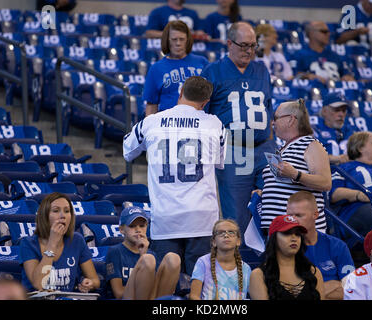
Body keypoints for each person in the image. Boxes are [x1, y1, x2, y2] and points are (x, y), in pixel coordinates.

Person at [123, 76, 227, 276]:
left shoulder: (151, 122)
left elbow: (128, 151)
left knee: (166, 287)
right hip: (201, 218)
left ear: (180, 93)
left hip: (166, 217)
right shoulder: (214, 124)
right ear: (205, 102)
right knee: (199, 287)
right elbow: (219, 162)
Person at [200, 21, 275, 236]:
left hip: (264, 148)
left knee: (274, 207)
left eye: (253, 45)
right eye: (243, 45)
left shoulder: (262, 70)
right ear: (229, 43)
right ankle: (241, 265)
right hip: (233, 149)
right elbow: (203, 114)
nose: (249, 51)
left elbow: (268, 108)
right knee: (237, 216)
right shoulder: (213, 71)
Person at [258, 98, 331, 234]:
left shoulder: (310, 144)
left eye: (276, 118)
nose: (273, 122)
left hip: (298, 230)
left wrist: (295, 175)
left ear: (291, 119)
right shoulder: (283, 148)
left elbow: (326, 182)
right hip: (276, 229)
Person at [19, 192, 100, 292]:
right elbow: (38, 284)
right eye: (56, 211)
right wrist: (52, 244)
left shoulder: (77, 240)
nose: (63, 216)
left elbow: (95, 280)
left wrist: (89, 283)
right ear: (44, 216)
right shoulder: (28, 244)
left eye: (67, 211)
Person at [287, 191, 354, 300]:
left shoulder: (338, 246)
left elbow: (351, 290)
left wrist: (312, 292)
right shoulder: (285, 248)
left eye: (299, 215)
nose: (293, 221)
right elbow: (293, 294)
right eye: (290, 216)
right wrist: (334, 284)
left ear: (315, 215)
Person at [106, 206, 181, 300]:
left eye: (142, 226)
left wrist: (143, 254)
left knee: (173, 258)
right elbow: (119, 293)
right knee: (147, 259)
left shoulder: (151, 254)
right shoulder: (115, 251)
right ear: (121, 229)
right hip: (127, 298)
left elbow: (153, 289)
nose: (138, 230)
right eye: (132, 226)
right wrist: (143, 258)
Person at [249, 214, 325, 300]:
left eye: (297, 234)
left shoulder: (314, 272)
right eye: (287, 233)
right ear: (274, 238)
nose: (294, 238)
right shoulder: (258, 275)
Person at [143, 20, 209, 116]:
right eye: (174, 39)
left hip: (198, 123)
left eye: (182, 39)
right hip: (168, 124)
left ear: (187, 40)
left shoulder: (202, 63)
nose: (178, 43)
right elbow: (151, 105)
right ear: (167, 40)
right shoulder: (156, 69)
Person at [190, 219, 251, 300]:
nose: (226, 235)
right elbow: (194, 296)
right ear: (214, 242)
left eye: (231, 232)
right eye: (221, 233)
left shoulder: (246, 268)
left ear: (238, 241)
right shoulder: (203, 262)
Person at [312, 92, 358, 165]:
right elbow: (308, 157)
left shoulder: (353, 131)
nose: (341, 114)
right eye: (336, 110)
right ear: (324, 111)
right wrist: (336, 159)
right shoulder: (314, 131)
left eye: (344, 111)